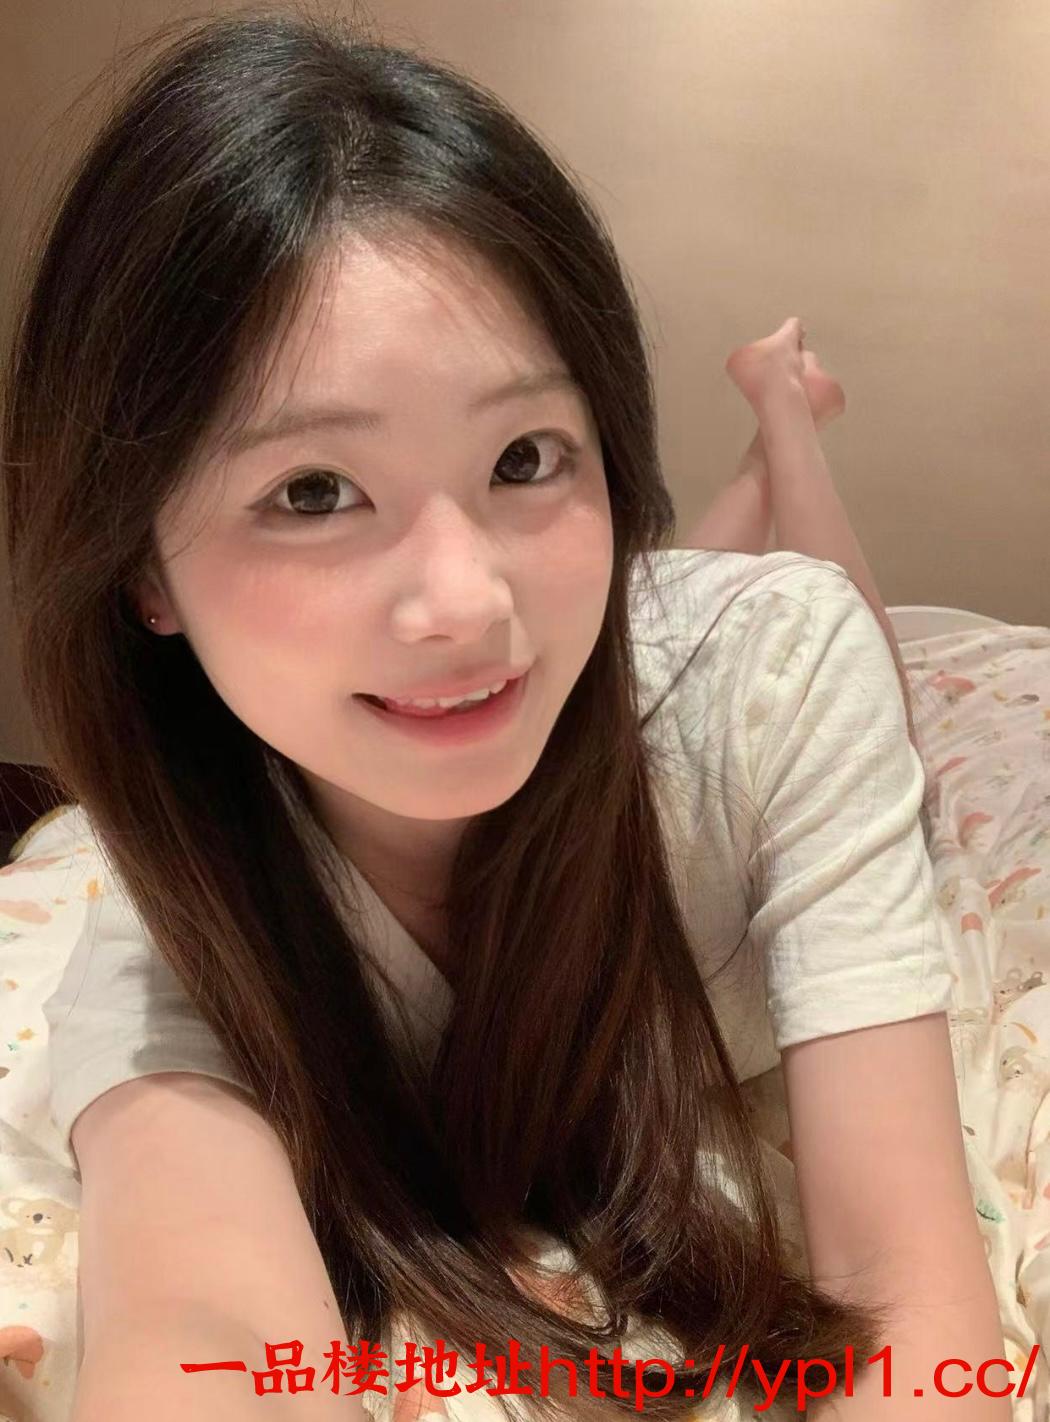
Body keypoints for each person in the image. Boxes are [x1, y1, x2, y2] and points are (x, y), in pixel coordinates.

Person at [0, 10, 1006, 1422]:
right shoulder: (181, 933)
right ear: (142, 568)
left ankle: (786, 427)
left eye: (527, 455)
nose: (465, 603)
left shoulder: (771, 691)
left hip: (735, 644)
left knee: (822, 611)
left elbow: (914, 1299)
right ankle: (767, 428)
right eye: (312, 492)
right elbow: (204, 1336)